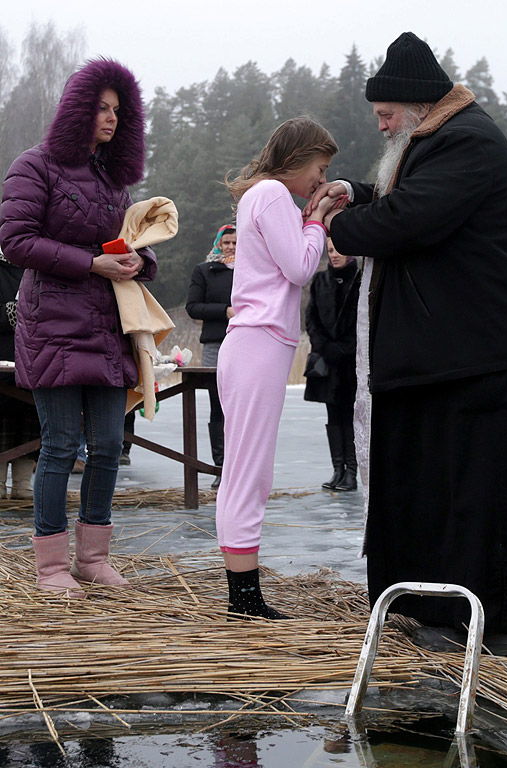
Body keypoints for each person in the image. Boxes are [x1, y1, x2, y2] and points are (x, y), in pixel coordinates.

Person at [307, 32, 507, 655]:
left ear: (418, 105)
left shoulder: (469, 142)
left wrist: (333, 221)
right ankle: (437, 605)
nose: (382, 125)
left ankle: (488, 620)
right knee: (435, 490)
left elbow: (407, 219)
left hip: (478, 357)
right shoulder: (441, 140)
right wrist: (357, 192)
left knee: (477, 497)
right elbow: (398, 197)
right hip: (446, 357)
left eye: (387, 115)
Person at [0, 58, 157, 597]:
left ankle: (92, 559)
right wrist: (91, 264)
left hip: (108, 325)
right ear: (76, 109)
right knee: (61, 444)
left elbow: (131, 238)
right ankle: (50, 567)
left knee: (110, 443)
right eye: (101, 108)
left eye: (118, 111)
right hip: (52, 324)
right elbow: (15, 241)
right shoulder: (33, 165)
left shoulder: (113, 179)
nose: (110, 119)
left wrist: (140, 260)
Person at [219, 116, 343, 619]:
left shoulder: (266, 198)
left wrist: (308, 217)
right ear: (297, 159)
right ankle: (244, 599)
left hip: (258, 343)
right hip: (258, 343)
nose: (321, 177)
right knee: (249, 472)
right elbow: (298, 267)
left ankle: (243, 595)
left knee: (249, 469)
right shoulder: (271, 196)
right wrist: (316, 220)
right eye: (321, 166)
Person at [304, 238, 360, 491]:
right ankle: (337, 469)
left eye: (338, 249)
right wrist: (324, 346)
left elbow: (364, 321)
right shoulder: (320, 281)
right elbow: (311, 318)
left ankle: (352, 471)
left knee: (350, 416)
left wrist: (345, 348)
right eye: (329, 250)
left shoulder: (360, 280)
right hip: (327, 359)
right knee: (332, 415)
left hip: (351, 361)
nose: (334, 255)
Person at [186, 224, 236, 489]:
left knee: (242, 408)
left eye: (236, 243)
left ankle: (241, 467)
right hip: (215, 345)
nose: (230, 247)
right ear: (219, 244)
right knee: (218, 405)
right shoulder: (204, 270)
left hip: (246, 344)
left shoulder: (252, 269)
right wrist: (224, 310)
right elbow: (193, 306)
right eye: (226, 242)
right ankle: (221, 467)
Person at [0, 249, 41, 499]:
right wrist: (12, 313)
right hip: (2, 357)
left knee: (30, 418)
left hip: (34, 358)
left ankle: (23, 483)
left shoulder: (37, 264)